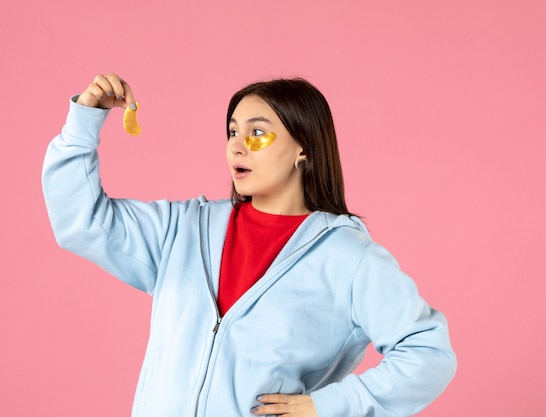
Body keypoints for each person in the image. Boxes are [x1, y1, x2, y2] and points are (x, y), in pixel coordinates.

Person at [42, 73, 456, 417]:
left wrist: (328, 406)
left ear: (303, 149)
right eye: (232, 131)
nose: (237, 145)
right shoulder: (183, 229)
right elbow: (82, 221)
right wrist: (84, 122)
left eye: (258, 132)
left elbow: (428, 355)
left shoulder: (348, 258)